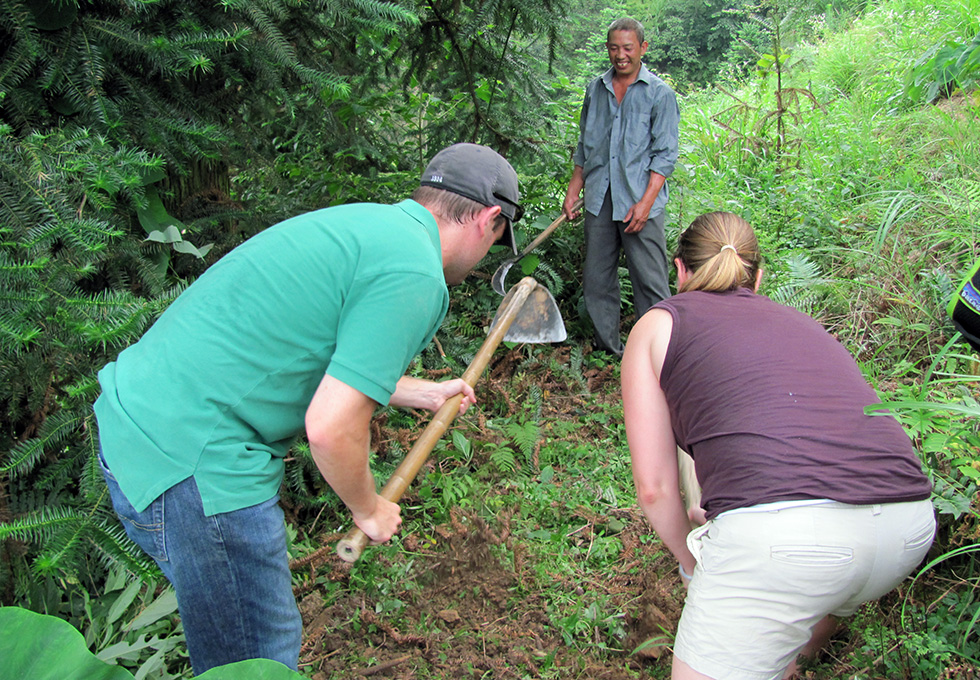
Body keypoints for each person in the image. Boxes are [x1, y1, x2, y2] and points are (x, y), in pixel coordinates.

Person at [94, 143, 524, 675]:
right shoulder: (415, 273)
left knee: (234, 646)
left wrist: (421, 391)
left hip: (134, 425)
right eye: (497, 239)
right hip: (198, 462)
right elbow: (330, 425)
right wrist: (368, 508)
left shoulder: (371, 228)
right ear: (489, 219)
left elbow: (315, 351)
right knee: (257, 659)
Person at [621, 212, 936, 680]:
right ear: (759, 277)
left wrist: (693, 566)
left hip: (787, 544)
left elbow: (654, 487)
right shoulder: (802, 324)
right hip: (907, 528)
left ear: (679, 269)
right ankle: (794, 656)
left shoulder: (658, 325)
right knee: (811, 590)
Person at [563, 17, 680, 357]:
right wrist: (574, 187)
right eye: (614, 48)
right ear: (607, 49)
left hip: (640, 202)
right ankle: (609, 351)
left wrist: (645, 203)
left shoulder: (659, 94)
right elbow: (586, 144)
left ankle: (657, 354)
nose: (621, 55)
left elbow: (664, 155)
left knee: (651, 282)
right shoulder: (595, 90)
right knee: (598, 279)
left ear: (643, 48)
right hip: (599, 198)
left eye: (628, 48)